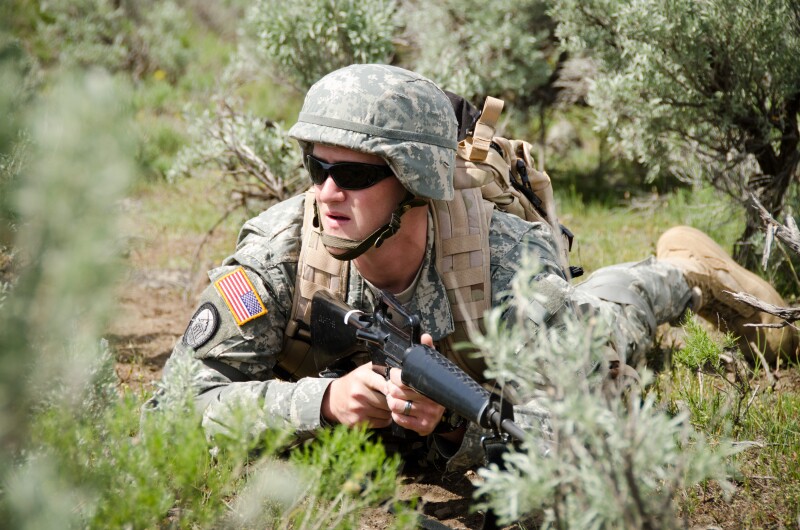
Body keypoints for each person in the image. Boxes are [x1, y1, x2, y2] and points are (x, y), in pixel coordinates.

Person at [156, 63, 797, 470]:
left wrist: (455, 425)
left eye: (352, 173)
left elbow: (573, 430)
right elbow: (171, 410)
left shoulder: (506, 257)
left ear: (414, 182)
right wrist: (318, 400)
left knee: (610, 313)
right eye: (317, 168)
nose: (327, 192)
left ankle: (683, 270)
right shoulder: (278, 255)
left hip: (525, 336)